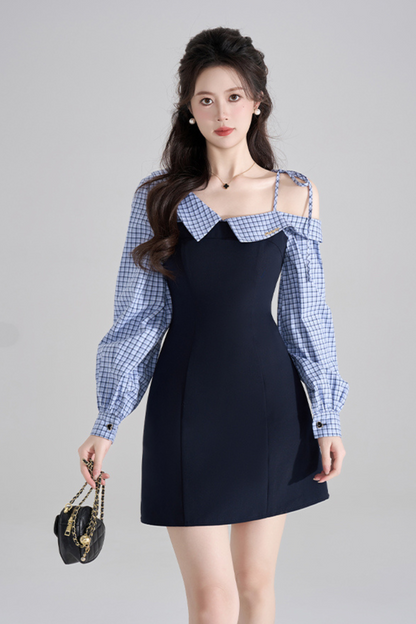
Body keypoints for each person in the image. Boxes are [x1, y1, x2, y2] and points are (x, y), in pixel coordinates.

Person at [78, 27, 349, 624]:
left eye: (234, 96)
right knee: (213, 600)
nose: (221, 113)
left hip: (269, 406)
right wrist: (107, 422)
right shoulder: (158, 199)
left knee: (254, 588)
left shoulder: (294, 195)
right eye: (206, 99)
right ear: (188, 109)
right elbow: (139, 318)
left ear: (257, 102)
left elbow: (307, 315)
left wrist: (326, 417)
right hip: (186, 408)